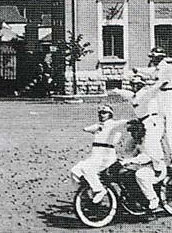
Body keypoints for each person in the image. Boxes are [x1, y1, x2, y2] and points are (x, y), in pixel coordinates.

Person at [110, 69, 166, 211]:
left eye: (137, 84)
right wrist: (116, 89)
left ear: (142, 84)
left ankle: (157, 175)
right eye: (133, 84)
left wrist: (160, 83)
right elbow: (129, 95)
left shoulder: (146, 93)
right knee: (132, 144)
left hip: (152, 121)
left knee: (151, 146)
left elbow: (153, 89)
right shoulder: (135, 95)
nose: (135, 86)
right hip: (142, 122)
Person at [71, 105, 130, 204]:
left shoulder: (114, 125)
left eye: (104, 113)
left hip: (106, 157)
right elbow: (86, 129)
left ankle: (99, 190)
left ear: (110, 114)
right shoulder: (99, 126)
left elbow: (125, 122)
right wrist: (98, 127)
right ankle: (85, 197)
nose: (102, 115)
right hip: (95, 157)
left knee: (87, 169)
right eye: (100, 113)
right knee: (75, 171)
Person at [145, 47, 172, 167]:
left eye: (153, 57)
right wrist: (140, 75)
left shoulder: (166, 68)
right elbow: (152, 77)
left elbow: (160, 83)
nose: (152, 59)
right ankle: (162, 157)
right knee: (157, 127)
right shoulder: (158, 68)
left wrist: (148, 88)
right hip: (160, 97)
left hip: (169, 97)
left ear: (159, 57)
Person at [121, 118, 166, 212]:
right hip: (141, 165)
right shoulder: (133, 140)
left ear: (141, 129)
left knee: (140, 175)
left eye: (135, 130)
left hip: (155, 167)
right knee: (124, 174)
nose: (133, 133)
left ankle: (153, 199)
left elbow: (148, 157)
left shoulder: (149, 140)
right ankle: (134, 199)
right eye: (131, 131)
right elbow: (126, 152)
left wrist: (130, 160)